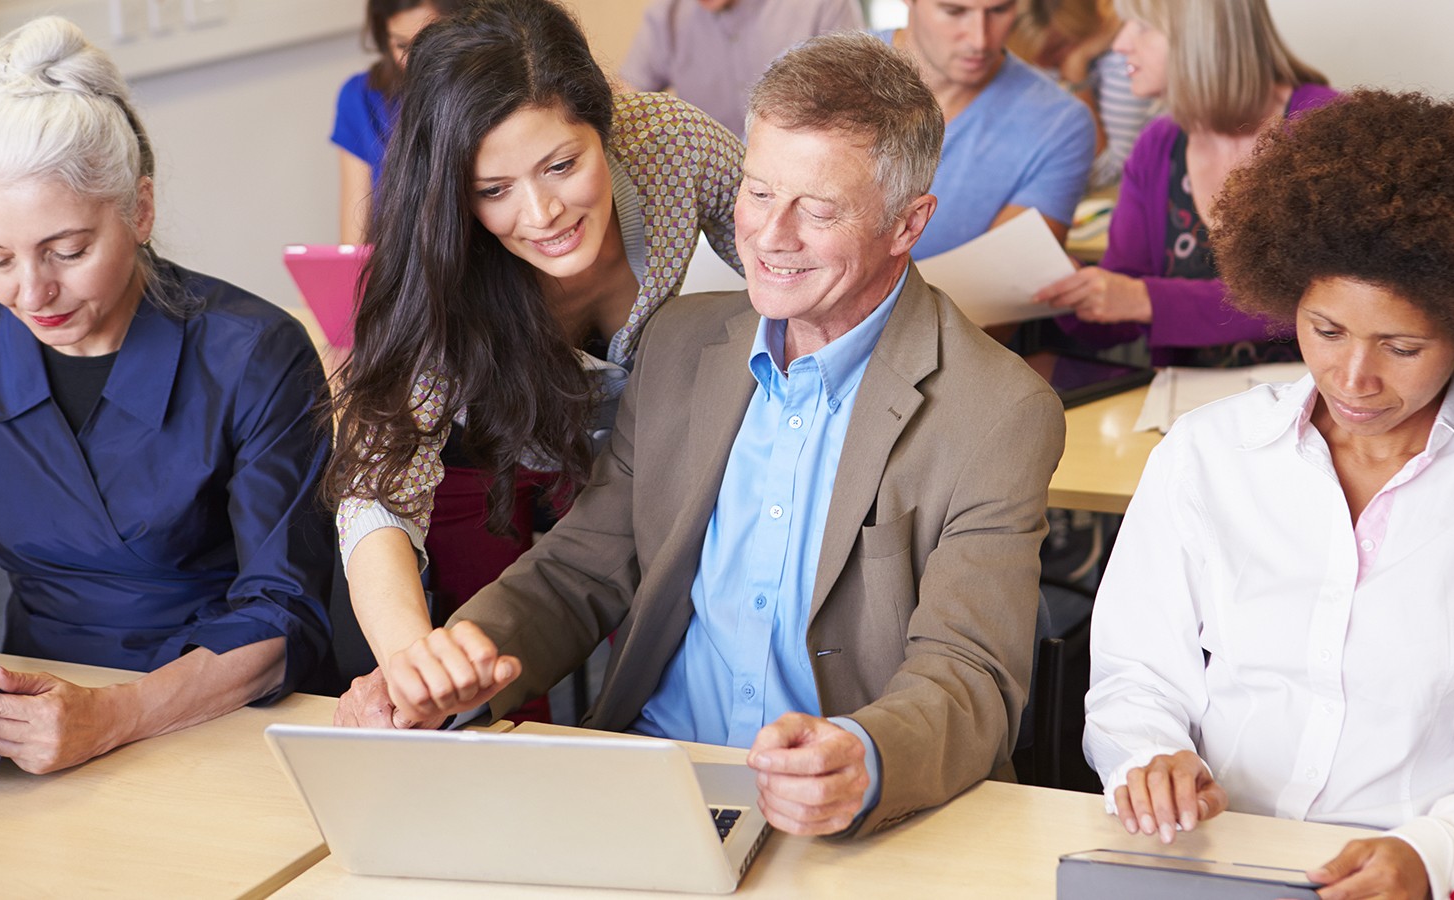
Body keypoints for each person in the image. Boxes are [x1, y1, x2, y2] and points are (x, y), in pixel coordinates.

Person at [347, 32, 1066, 838]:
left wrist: (866, 758)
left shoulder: (997, 412)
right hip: (658, 788)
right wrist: (440, 673)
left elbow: (971, 675)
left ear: (908, 223)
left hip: (850, 822)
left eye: (817, 209)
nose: (770, 236)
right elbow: (577, 571)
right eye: (759, 193)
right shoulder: (682, 343)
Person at [1082, 90, 1454, 900]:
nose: (1353, 378)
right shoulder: (1208, 454)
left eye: (1401, 347)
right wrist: (1149, 757)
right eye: (1326, 331)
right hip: (1213, 860)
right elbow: (1134, 676)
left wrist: (1437, 858)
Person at [0, 17, 334, 774]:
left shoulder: (254, 353)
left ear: (140, 211)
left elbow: (283, 613)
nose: (31, 292)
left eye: (67, 251)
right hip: (29, 721)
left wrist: (114, 716)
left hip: (216, 714)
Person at [329, 0, 744, 723]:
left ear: (604, 125)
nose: (542, 213)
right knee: (492, 677)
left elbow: (793, 266)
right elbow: (378, 490)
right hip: (482, 456)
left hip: (641, 450)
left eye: (562, 165)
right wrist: (409, 656)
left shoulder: (673, 144)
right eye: (493, 191)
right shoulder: (440, 258)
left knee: (662, 646)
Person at [1036, 0, 1332, 367]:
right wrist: (1073, 287)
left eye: (1142, 27)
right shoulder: (1155, 146)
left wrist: (1146, 299)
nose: (1121, 44)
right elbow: (1119, 318)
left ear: (1203, 36)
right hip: (1186, 398)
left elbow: (1328, 296)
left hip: (1313, 392)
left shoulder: (1327, 128)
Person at [879, 0, 1097, 257]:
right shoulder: (835, 71)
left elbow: (1007, 271)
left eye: (999, 10)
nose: (979, 41)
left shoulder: (1060, 123)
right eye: (954, 11)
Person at [621, 0, 865, 137]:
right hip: (713, 186)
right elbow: (624, 101)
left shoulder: (823, 5)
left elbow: (855, 109)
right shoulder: (667, 15)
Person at [333, 0, 463, 244]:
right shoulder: (362, 98)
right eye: (401, 45)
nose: (415, 61)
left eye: (431, 44)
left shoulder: (491, 92)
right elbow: (354, 242)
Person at [1005, 0, 1148, 189]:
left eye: (1056, 48)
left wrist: (1076, 74)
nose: (1043, 64)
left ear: (1088, 27)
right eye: (1035, 54)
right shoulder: (1039, 61)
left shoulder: (1124, 65)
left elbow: (1106, 174)